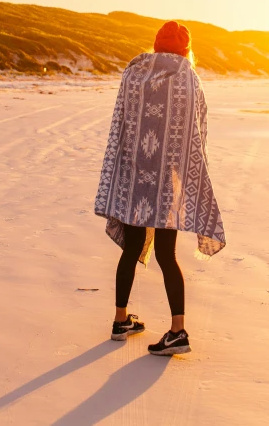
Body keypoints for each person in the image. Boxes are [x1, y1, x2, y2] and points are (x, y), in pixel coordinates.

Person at [94, 20, 226, 356]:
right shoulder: (187, 77)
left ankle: (120, 322)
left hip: (134, 176)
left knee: (131, 248)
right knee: (167, 255)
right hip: (167, 181)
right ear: (185, 49)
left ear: (156, 45)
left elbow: (121, 124)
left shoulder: (133, 74)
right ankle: (177, 332)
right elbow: (196, 129)